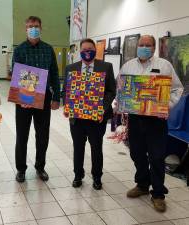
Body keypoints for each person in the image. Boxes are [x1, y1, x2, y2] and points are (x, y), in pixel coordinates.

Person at [118, 35, 184, 212]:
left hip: (156, 121)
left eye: (148, 45)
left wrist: (167, 105)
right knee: (136, 154)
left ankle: (158, 194)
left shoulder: (164, 65)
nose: (144, 47)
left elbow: (178, 88)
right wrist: (120, 102)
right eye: (141, 45)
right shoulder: (128, 66)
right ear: (137, 47)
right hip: (135, 118)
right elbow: (121, 87)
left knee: (156, 157)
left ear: (154, 47)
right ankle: (142, 184)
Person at [12, 16, 61, 183]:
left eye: (36, 26)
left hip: (44, 97)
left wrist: (57, 98)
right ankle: (21, 169)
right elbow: (16, 74)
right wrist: (20, 97)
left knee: (42, 135)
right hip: (24, 97)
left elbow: (54, 73)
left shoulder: (48, 49)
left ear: (41, 28)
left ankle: (40, 167)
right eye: (30, 26)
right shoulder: (19, 50)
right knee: (22, 135)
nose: (33, 28)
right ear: (25, 29)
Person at [62, 38, 116, 190]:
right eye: (84, 50)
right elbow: (66, 91)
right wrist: (68, 106)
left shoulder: (106, 67)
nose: (87, 52)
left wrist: (101, 108)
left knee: (96, 148)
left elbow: (111, 91)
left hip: (97, 118)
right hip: (77, 118)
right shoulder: (71, 68)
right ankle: (78, 175)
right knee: (78, 147)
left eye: (90, 49)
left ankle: (97, 177)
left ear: (95, 50)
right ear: (80, 52)